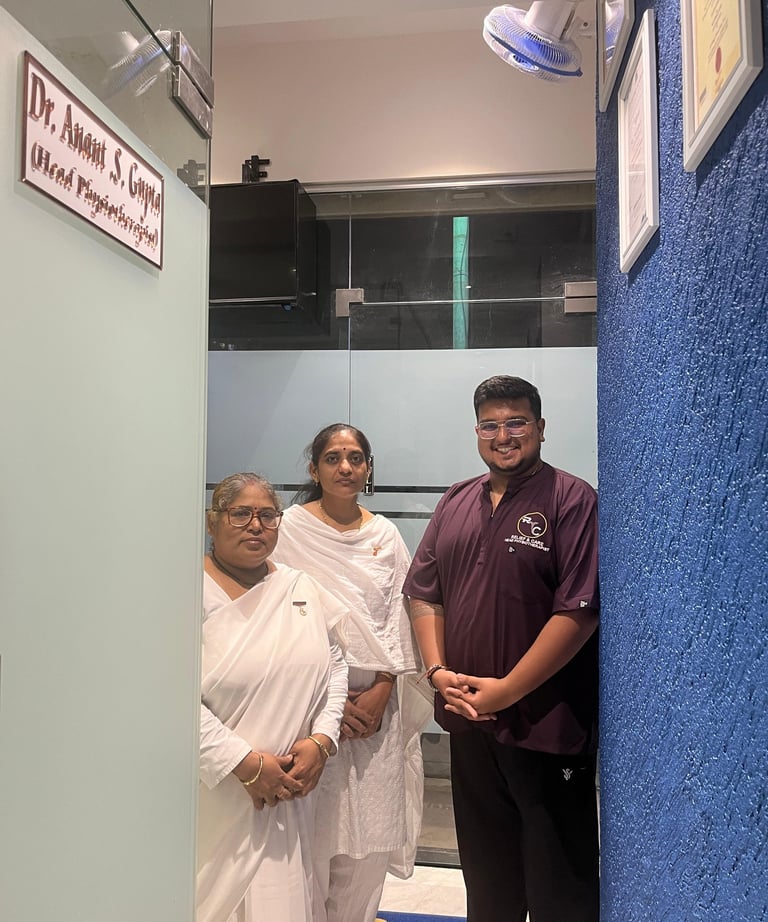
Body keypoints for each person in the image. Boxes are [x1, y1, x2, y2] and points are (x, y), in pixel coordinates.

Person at [403, 375, 600, 922]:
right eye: (490, 425)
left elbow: (579, 610)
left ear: (540, 428)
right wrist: (437, 671)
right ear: (477, 432)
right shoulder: (456, 499)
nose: (504, 435)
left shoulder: (572, 499)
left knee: (561, 891)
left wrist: (508, 690)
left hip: (547, 728)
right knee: (488, 884)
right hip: (470, 722)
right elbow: (424, 594)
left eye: (516, 422)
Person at [271, 423, 431, 922]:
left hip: (377, 708)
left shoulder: (384, 534)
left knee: (370, 841)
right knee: (311, 837)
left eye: (356, 458)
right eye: (333, 458)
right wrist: (329, 707)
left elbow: (400, 615)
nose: (345, 467)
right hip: (310, 706)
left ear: (368, 469)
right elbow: (276, 615)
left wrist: (384, 685)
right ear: (314, 468)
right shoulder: (289, 529)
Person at [197, 472, 349, 922]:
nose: (256, 525)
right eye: (241, 513)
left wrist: (323, 740)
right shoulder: (184, 592)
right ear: (212, 522)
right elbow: (165, 696)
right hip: (214, 792)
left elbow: (335, 665)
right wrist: (242, 763)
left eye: (267, 515)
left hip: (289, 795)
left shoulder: (299, 587)